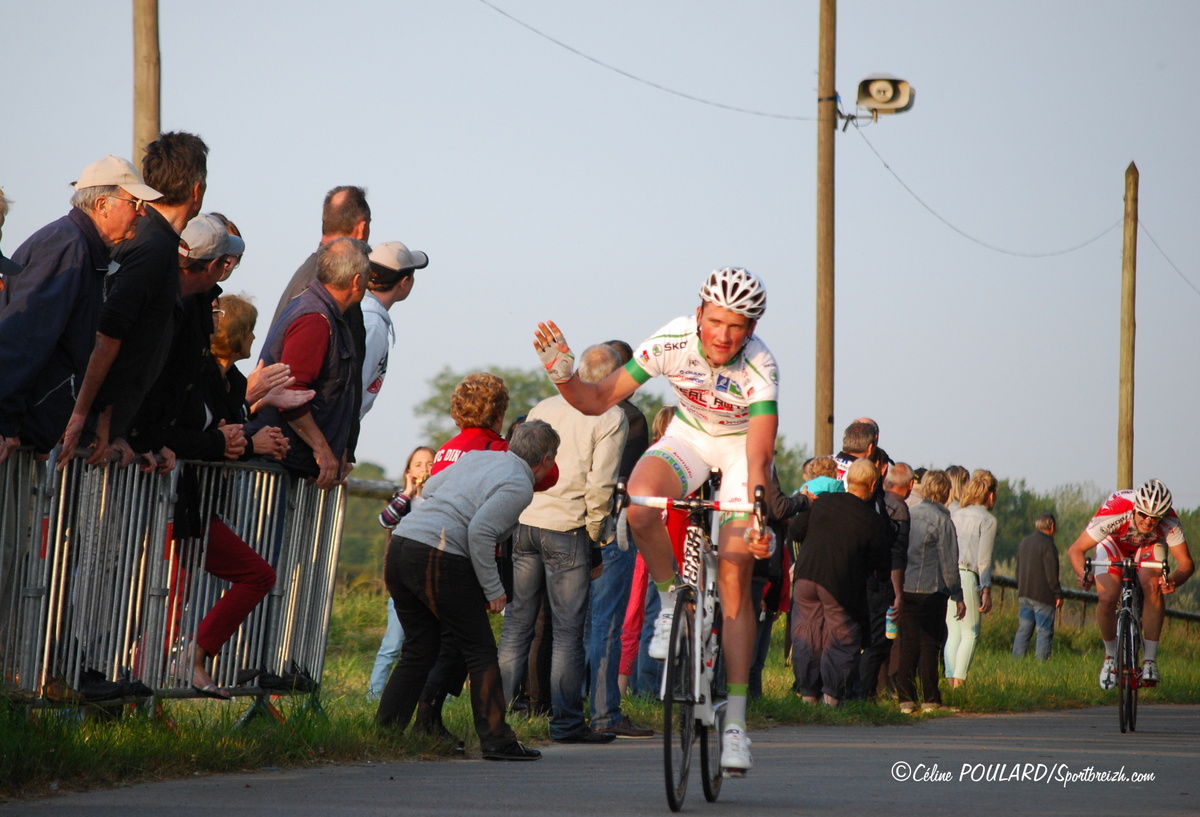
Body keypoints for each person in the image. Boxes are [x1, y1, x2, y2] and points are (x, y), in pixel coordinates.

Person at [533, 266, 776, 775]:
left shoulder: (760, 367)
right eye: (715, 322)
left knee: (734, 572)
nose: (723, 335)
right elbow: (597, 400)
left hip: (737, 453)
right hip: (688, 437)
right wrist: (564, 376)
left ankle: (734, 723)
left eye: (736, 326)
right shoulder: (673, 340)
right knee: (640, 505)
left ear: (751, 329)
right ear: (699, 315)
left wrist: (755, 514)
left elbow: (757, 454)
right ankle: (671, 602)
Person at [127, 213, 275, 698]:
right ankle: (149, 685)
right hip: (165, 497)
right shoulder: (191, 356)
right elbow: (176, 426)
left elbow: (210, 427)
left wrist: (247, 425)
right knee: (159, 598)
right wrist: (237, 440)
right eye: (248, 331)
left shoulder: (225, 378)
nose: (254, 341)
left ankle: (159, 683)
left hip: (189, 500)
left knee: (171, 597)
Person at [376, 419, 559, 762]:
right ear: (547, 460)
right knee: (480, 651)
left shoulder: (478, 458)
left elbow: (429, 489)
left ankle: (385, 732)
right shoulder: (519, 484)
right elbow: (480, 531)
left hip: (402, 545)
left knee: (419, 648)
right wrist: (494, 590)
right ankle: (497, 740)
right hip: (439, 552)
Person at [498, 345, 628, 744]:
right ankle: (567, 723)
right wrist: (596, 539)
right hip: (568, 528)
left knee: (517, 625)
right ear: (611, 378)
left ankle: (491, 718)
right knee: (569, 634)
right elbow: (601, 485)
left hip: (525, 519)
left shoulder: (543, 405)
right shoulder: (612, 415)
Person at [60, 133, 210, 466]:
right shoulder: (152, 245)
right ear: (196, 191)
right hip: (88, 432)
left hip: (103, 427)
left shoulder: (152, 239)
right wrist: (94, 420)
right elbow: (108, 334)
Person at [0, 156, 161, 462]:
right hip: (12, 437)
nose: (142, 212)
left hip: (26, 434)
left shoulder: (81, 248)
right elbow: (23, 341)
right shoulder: (68, 247)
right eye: (135, 202)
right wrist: (4, 422)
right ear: (102, 204)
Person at [247, 237, 370, 488]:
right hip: (277, 465)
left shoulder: (320, 311)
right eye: (368, 274)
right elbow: (292, 393)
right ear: (356, 281)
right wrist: (323, 450)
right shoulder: (315, 320)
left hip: (286, 462)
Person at [1067, 478, 1194, 688]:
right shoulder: (1116, 509)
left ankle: (1150, 661)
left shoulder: (1170, 520)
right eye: (1143, 514)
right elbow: (1076, 550)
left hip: (1149, 545)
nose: (1147, 521)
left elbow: (1186, 564)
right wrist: (1083, 574)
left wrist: (1174, 581)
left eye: (1154, 518)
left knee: (1152, 587)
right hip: (1114, 542)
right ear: (1135, 507)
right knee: (1107, 597)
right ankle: (1110, 658)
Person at [585, 340, 652, 737]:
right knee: (607, 622)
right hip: (610, 525)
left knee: (573, 622)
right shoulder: (629, 417)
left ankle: (566, 704)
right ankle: (606, 711)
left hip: (564, 524)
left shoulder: (564, 410)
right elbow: (627, 480)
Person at [368, 445, 435, 701]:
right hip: (404, 584)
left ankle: (432, 697)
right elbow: (386, 520)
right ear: (409, 470)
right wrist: (407, 492)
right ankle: (374, 695)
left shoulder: (439, 500)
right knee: (391, 645)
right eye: (418, 464)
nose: (424, 469)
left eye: (430, 464)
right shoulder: (403, 499)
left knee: (432, 646)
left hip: (430, 582)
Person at [895, 470, 965, 714]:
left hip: (905, 587)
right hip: (932, 590)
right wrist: (958, 595)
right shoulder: (943, 521)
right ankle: (931, 699)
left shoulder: (909, 514)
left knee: (907, 644)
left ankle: (905, 699)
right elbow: (949, 562)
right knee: (930, 644)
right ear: (946, 492)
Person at [619, 404, 675, 697]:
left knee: (637, 617)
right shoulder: (669, 463)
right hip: (660, 545)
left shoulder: (647, 458)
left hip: (642, 543)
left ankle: (639, 686)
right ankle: (650, 689)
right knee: (656, 614)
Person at [360, 240, 429, 417]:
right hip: (335, 432)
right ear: (404, 282)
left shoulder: (361, 312)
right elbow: (353, 391)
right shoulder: (372, 324)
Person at [944, 469, 998, 688]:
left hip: (949, 574)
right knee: (971, 633)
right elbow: (983, 559)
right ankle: (960, 684)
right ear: (991, 494)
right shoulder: (987, 519)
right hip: (968, 575)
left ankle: (949, 682)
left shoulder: (956, 512)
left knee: (953, 631)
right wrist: (986, 589)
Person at [1012, 513, 1062, 661]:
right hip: (1043, 596)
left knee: (1024, 630)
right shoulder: (1048, 544)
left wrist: (1020, 587)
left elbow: (1017, 569)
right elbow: (1051, 573)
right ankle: (1042, 663)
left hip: (1024, 593)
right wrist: (1057, 593)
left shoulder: (1024, 542)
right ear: (1051, 525)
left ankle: (1016, 661)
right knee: (1044, 631)